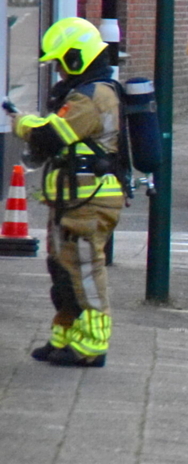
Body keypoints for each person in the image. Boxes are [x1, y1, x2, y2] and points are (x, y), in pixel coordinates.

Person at [9, 18, 125, 367]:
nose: (60, 71)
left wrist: (22, 122)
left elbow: (50, 135)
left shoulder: (93, 97)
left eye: (62, 63)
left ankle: (92, 344)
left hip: (89, 202)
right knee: (63, 270)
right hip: (73, 200)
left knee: (84, 270)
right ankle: (66, 335)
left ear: (78, 57)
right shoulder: (83, 92)